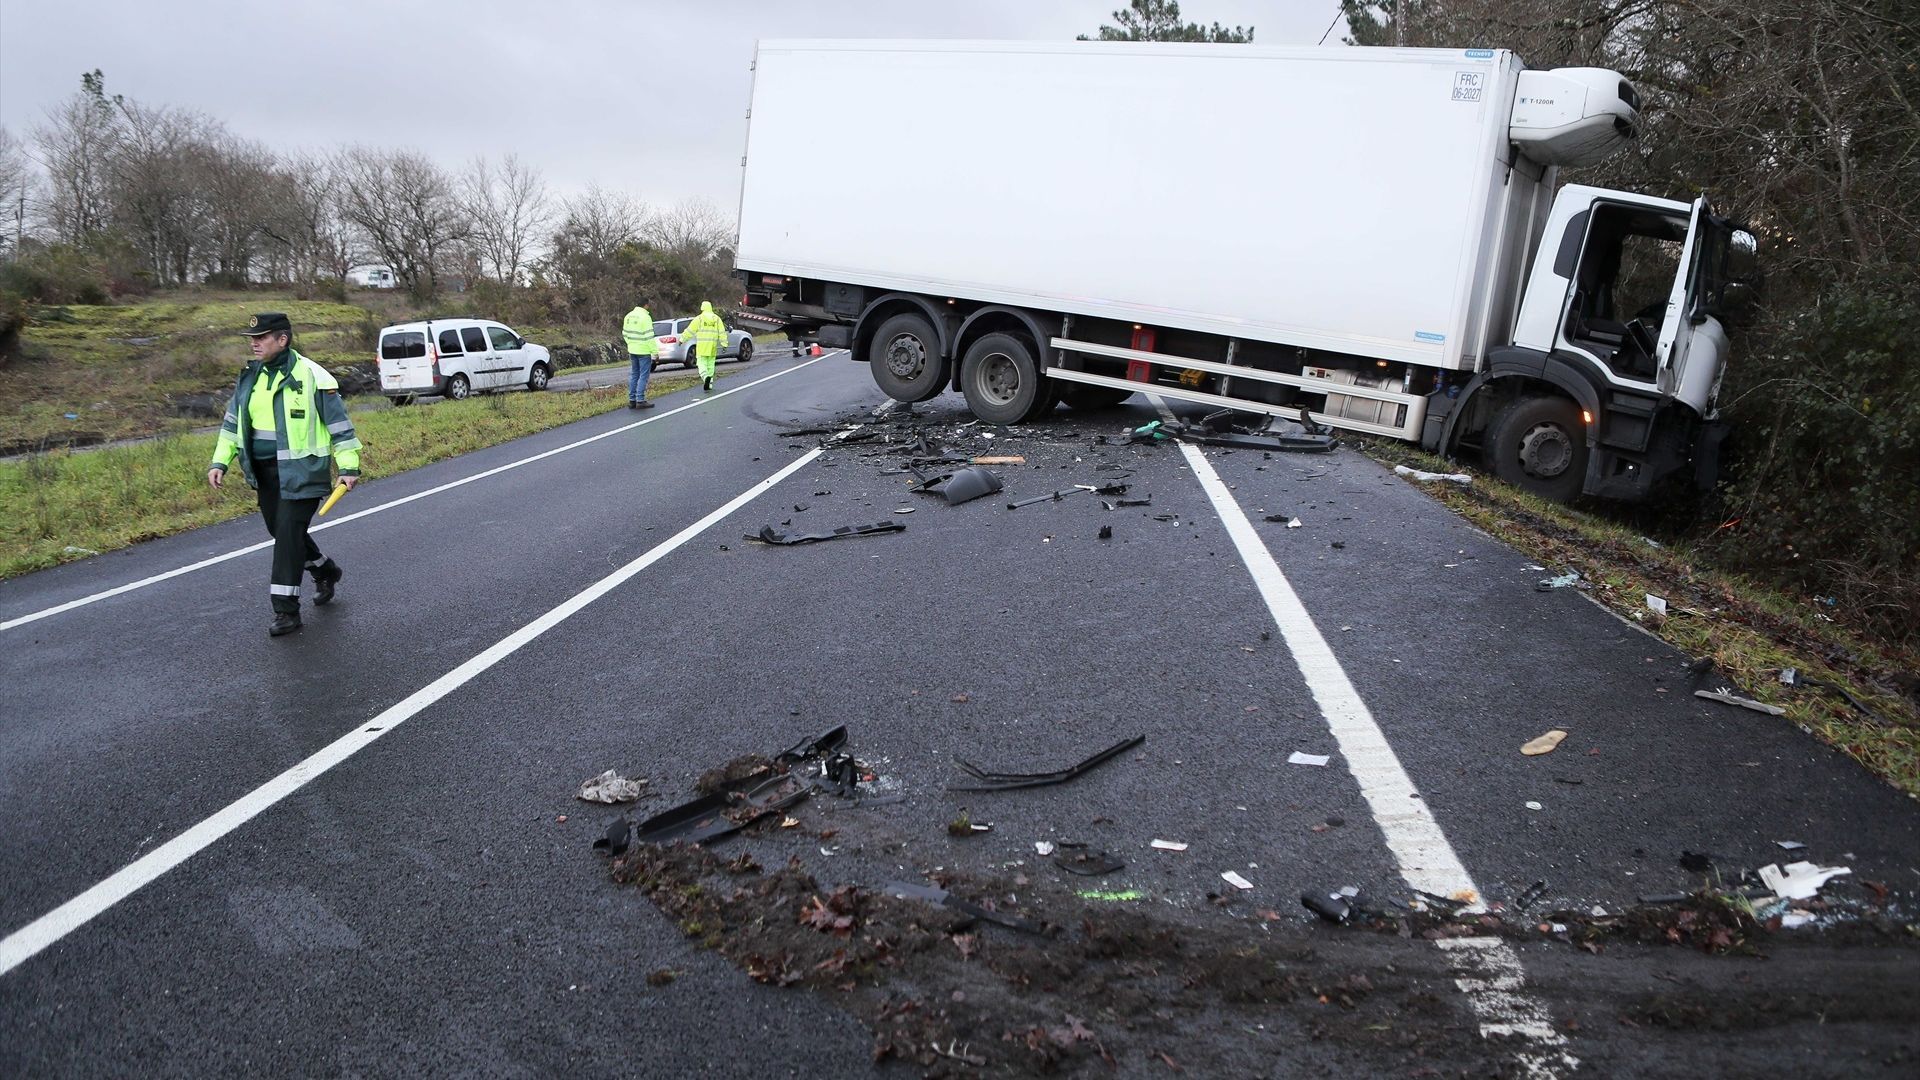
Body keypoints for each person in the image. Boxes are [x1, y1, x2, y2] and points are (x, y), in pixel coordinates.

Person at [207, 313, 361, 637]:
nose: (254, 343)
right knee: (282, 533)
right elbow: (232, 425)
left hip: (303, 473)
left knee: (287, 539)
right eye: (251, 338)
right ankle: (325, 570)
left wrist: (348, 467)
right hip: (264, 474)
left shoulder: (313, 377)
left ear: (282, 340)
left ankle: (286, 611)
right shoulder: (249, 378)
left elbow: (341, 429)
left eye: (261, 337)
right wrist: (220, 461)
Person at [685, 300, 728, 393]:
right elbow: (722, 333)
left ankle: (705, 378)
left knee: (701, 364)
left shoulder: (699, 319)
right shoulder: (717, 319)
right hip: (712, 347)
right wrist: (724, 344)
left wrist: (682, 339)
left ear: (702, 308)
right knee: (710, 365)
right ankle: (710, 384)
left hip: (702, 347)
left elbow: (690, 331)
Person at [621, 302, 658, 409]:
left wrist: (631, 343)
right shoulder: (645, 317)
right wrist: (654, 352)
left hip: (632, 349)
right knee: (643, 375)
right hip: (643, 350)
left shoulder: (628, 316)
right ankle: (640, 400)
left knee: (634, 374)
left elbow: (624, 333)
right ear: (646, 305)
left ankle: (632, 400)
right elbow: (649, 336)